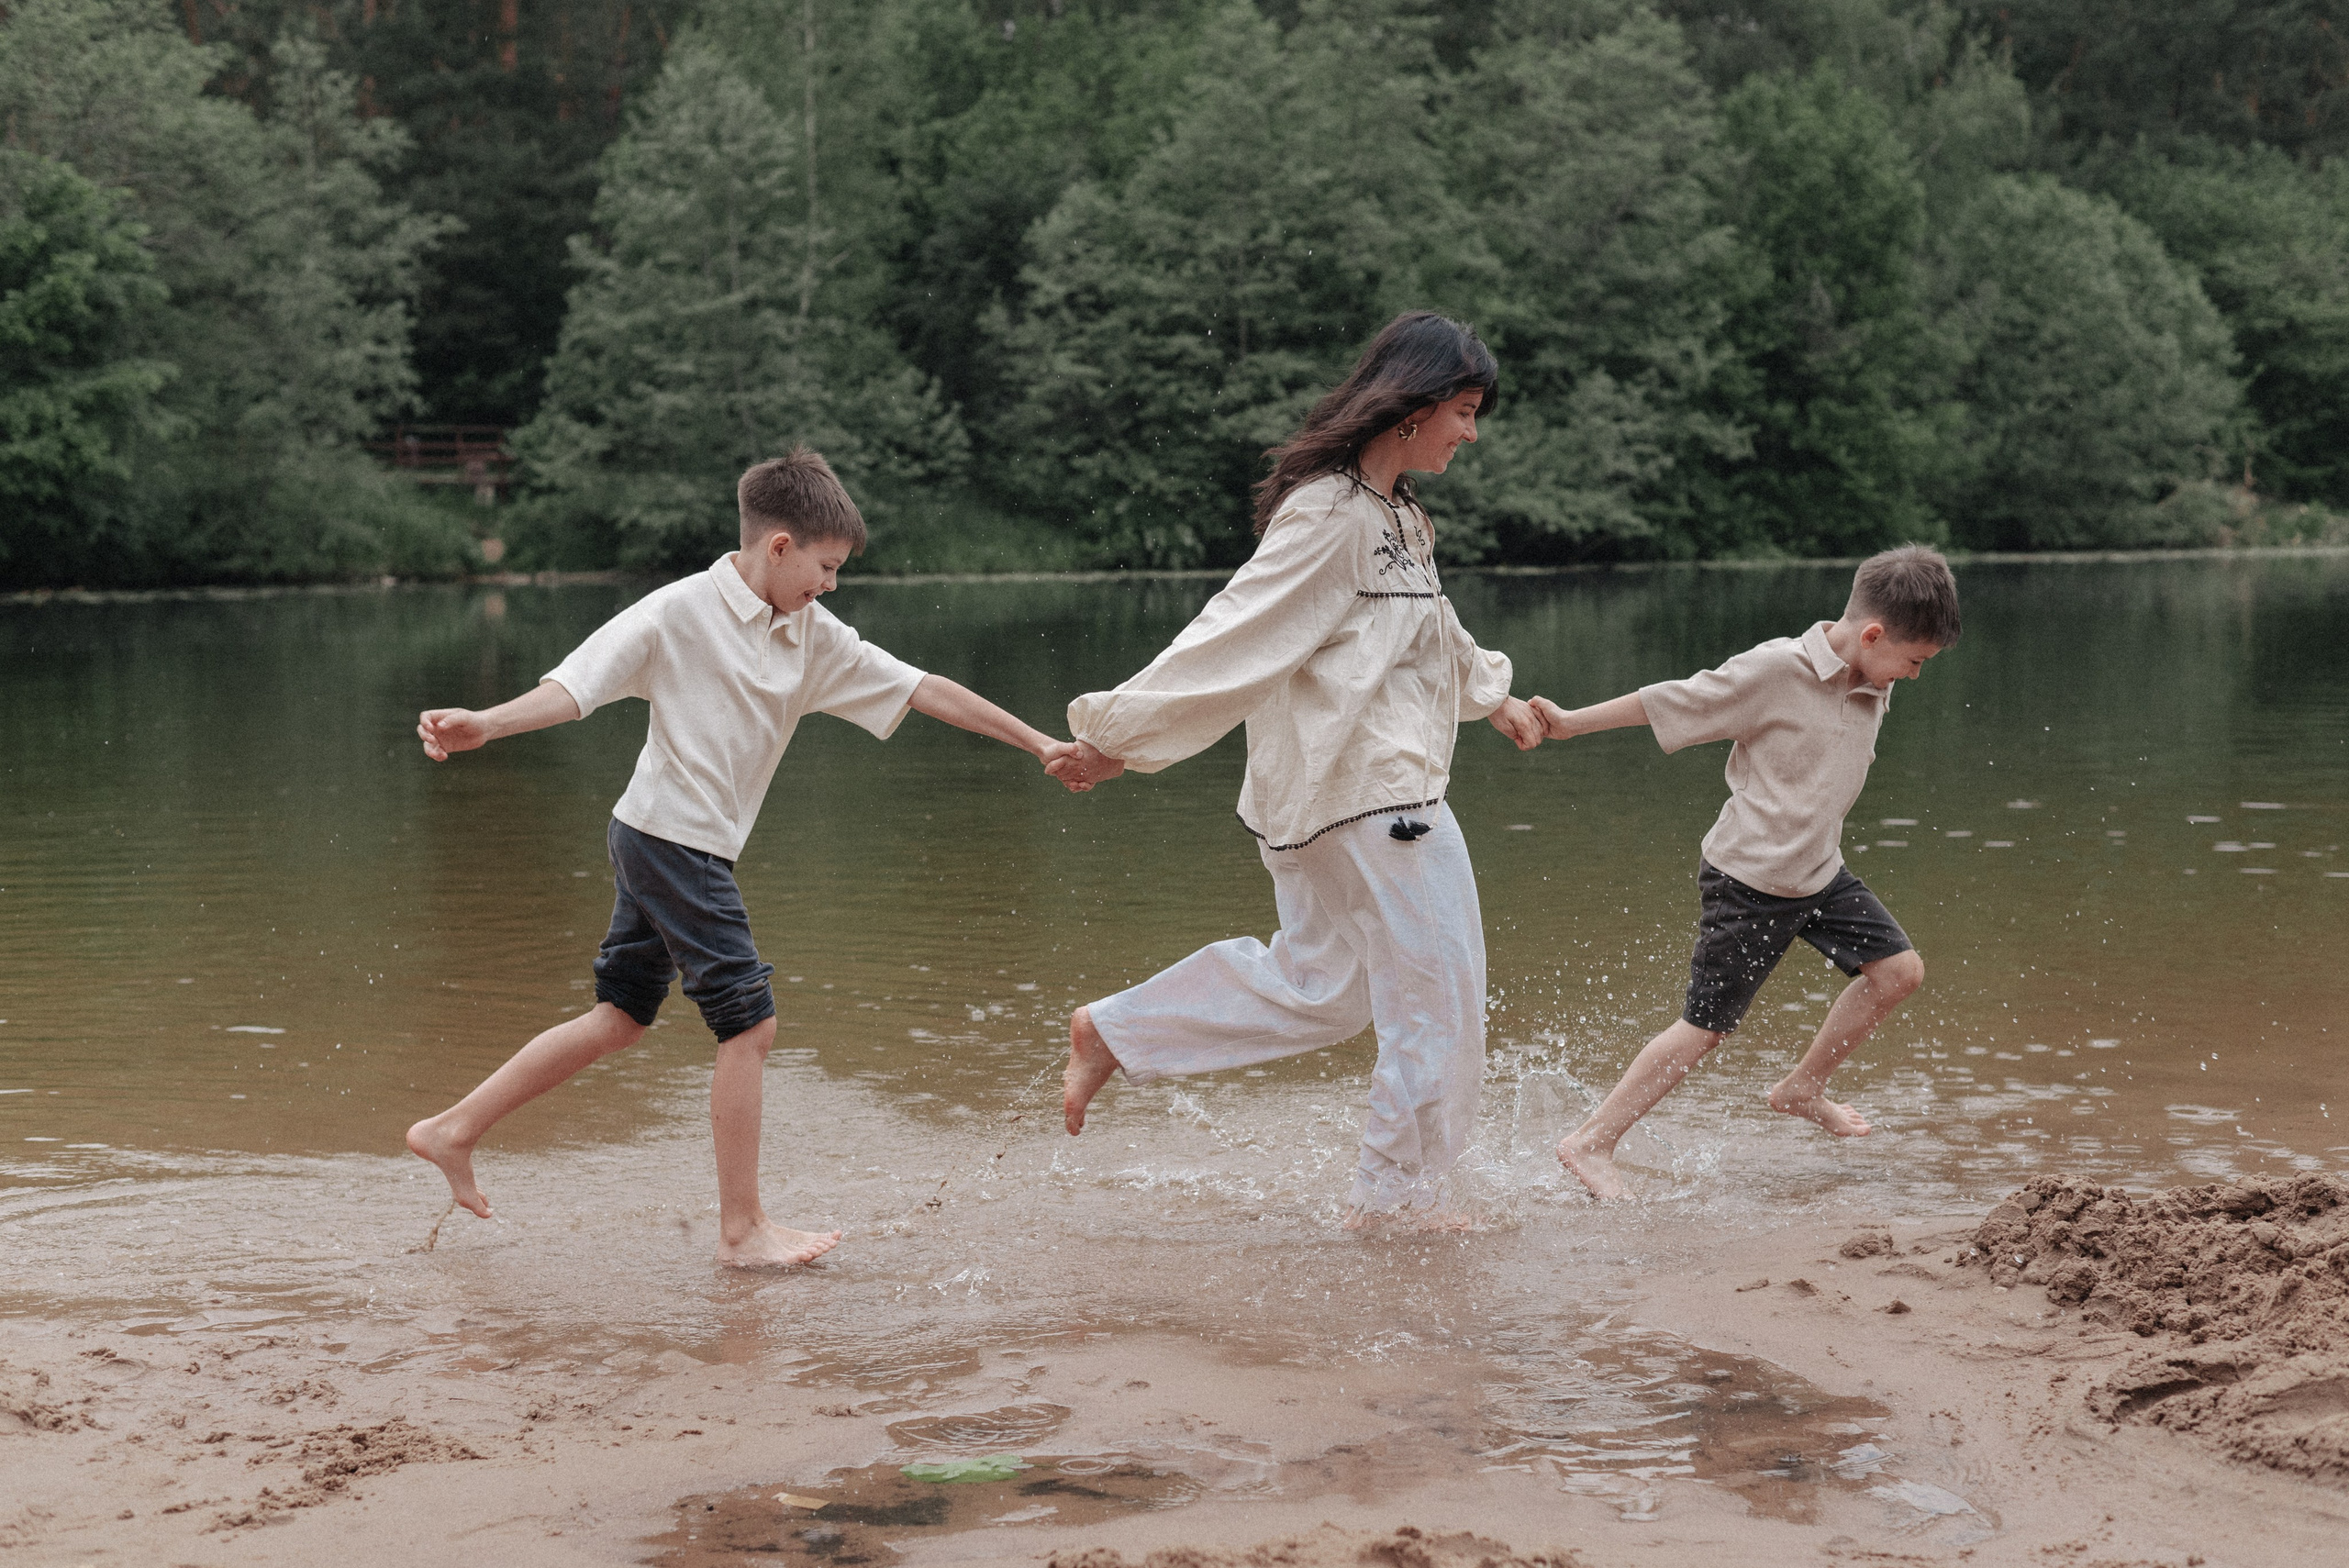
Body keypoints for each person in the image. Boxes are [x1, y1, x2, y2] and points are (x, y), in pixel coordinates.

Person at [405, 447, 1086, 1267]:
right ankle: (742, 1230)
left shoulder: (811, 634)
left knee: (620, 1019)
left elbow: (922, 687)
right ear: (779, 546)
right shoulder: (675, 613)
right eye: (825, 566)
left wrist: (1037, 740)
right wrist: (488, 721)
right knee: (750, 1024)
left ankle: (452, 1129)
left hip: (665, 840)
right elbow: (576, 686)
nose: (830, 585)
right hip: (670, 840)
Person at [1047, 312, 1546, 1226]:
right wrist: (1118, 734)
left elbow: (1429, 625)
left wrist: (1495, 694)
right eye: (1465, 410)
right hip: (1376, 795)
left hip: (1342, 796)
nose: (1471, 432)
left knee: (1328, 989)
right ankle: (1399, 1203)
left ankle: (1115, 1030)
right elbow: (1235, 632)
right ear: (1414, 404)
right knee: (1441, 999)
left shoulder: (1398, 518)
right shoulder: (1327, 511)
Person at [1532, 545, 1962, 1201]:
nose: (1915, 674)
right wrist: (1568, 724)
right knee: (1706, 1027)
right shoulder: (1774, 671)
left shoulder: (1874, 680)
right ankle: (1591, 1140)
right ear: (1873, 634)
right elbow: (1672, 699)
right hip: (1749, 880)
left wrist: (1893, 672)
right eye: (1915, 661)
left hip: (1819, 872)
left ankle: (1802, 1086)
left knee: (1898, 971)